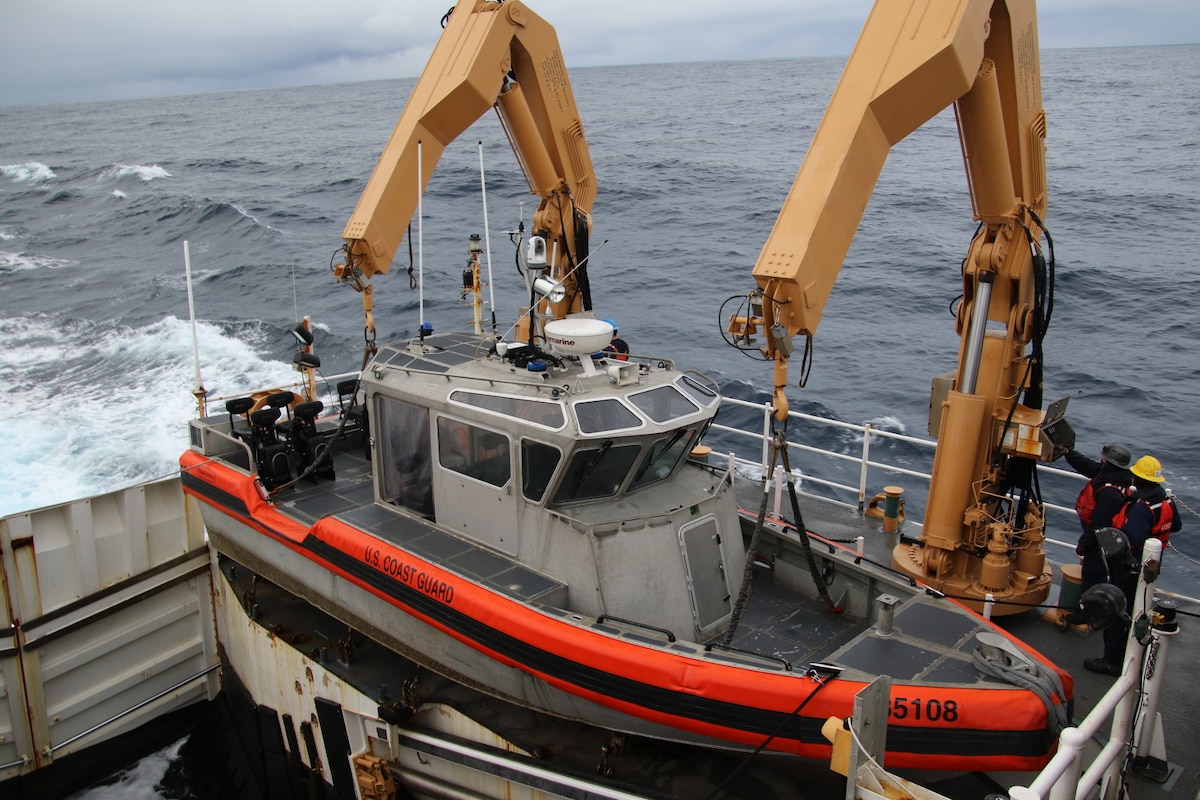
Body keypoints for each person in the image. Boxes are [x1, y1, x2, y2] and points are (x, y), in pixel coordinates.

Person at [1085, 454, 1182, 677]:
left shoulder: (1141, 507)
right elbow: (1174, 525)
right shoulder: (1165, 500)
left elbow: (1132, 538)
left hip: (1131, 565)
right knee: (1140, 606)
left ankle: (1112, 660)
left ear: (1139, 479)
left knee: (1119, 608)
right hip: (1152, 562)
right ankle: (1133, 652)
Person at [1061, 443, 1134, 592]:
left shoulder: (1110, 494)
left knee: (1093, 577)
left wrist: (1083, 545)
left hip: (1100, 541)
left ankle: (1091, 610)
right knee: (1094, 573)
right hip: (1099, 538)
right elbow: (1087, 466)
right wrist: (1068, 453)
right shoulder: (1113, 475)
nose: (1101, 459)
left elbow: (1099, 525)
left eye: (1104, 458)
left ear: (1108, 462)